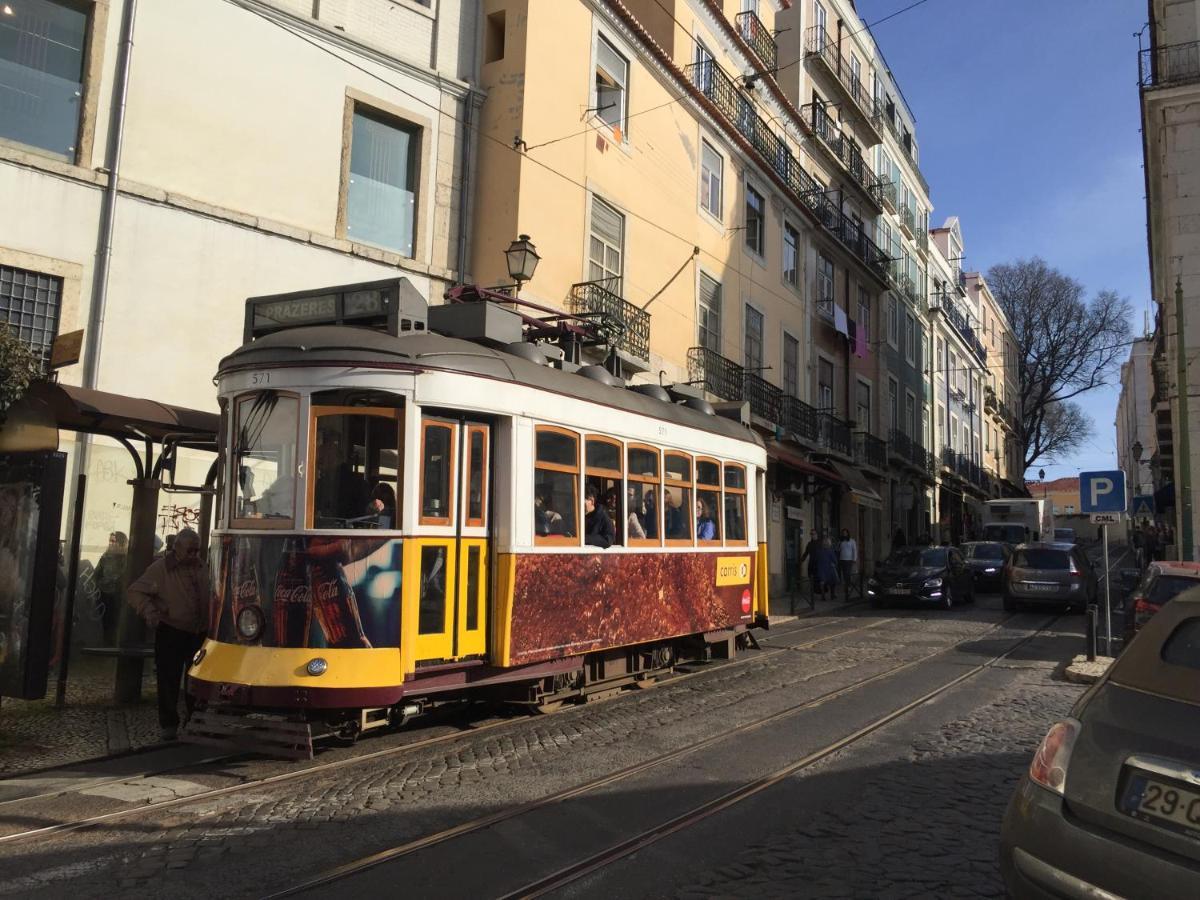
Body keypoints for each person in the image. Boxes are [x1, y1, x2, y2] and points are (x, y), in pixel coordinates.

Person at [126, 528, 209, 741]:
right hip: (172, 630)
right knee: (168, 679)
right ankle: (169, 723)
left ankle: (196, 719)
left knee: (197, 679)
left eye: (197, 551)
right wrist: (150, 611)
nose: (194, 555)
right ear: (177, 549)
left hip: (198, 632)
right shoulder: (161, 569)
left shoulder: (201, 567)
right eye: (190, 550)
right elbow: (135, 591)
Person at [96, 531, 128, 645]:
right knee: (106, 623)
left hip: (118, 596)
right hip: (104, 595)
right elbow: (97, 574)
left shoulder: (125, 558)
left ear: (121, 543)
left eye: (113, 541)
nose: (110, 544)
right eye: (110, 541)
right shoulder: (105, 556)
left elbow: (125, 577)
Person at [799, 529, 823, 604]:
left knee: (819, 579)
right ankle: (813, 594)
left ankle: (822, 594)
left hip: (819, 563)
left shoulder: (820, 543)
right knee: (811, 578)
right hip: (812, 563)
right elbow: (806, 553)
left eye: (814, 534)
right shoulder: (809, 544)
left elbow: (824, 553)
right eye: (811, 534)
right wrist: (801, 560)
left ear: (817, 534)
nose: (812, 535)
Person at [815, 536, 840, 603]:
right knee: (832, 582)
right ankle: (832, 595)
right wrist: (834, 563)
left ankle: (823, 596)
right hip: (829, 569)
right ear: (829, 544)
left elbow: (816, 559)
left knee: (822, 583)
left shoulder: (819, 551)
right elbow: (835, 561)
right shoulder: (830, 551)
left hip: (821, 569)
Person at [837, 528, 858, 601]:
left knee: (848, 573)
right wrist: (838, 544)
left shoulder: (852, 541)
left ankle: (848, 586)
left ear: (848, 533)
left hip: (849, 560)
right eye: (843, 533)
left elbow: (854, 550)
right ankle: (846, 586)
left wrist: (854, 559)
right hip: (842, 559)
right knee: (844, 573)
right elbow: (838, 550)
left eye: (845, 533)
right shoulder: (841, 541)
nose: (844, 534)